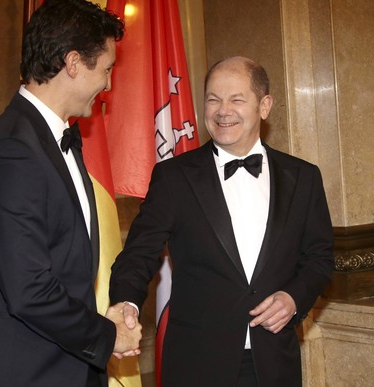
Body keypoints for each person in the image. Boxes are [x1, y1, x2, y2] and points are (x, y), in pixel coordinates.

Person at [109, 56, 334, 386]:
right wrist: (126, 303)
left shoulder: (303, 177)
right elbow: (138, 254)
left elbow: (319, 258)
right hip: (196, 364)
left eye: (236, 99)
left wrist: (293, 298)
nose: (222, 110)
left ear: (265, 105)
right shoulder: (174, 177)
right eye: (213, 99)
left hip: (273, 363)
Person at [0, 1, 141, 386]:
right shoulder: (13, 150)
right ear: (72, 63)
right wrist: (107, 335)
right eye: (105, 69)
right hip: (21, 372)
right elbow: (29, 290)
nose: (108, 84)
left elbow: (64, 269)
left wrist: (102, 323)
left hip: (64, 366)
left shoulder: (54, 139)